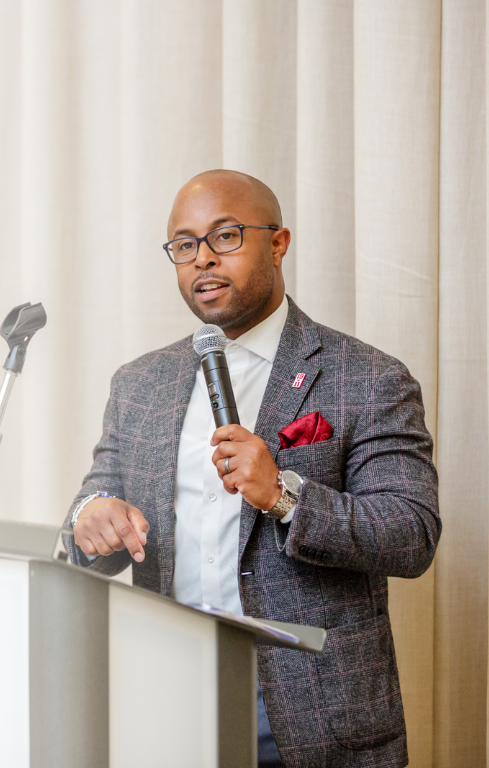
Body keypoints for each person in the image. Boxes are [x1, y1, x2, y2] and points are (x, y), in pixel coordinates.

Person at [64, 170, 439, 767]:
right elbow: (93, 505)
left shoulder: (367, 377)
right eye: (185, 245)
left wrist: (285, 496)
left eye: (226, 236)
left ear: (278, 242)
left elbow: (410, 534)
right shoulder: (140, 383)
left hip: (306, 710)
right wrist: (92, 518)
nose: (203, 259)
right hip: (165, 694)